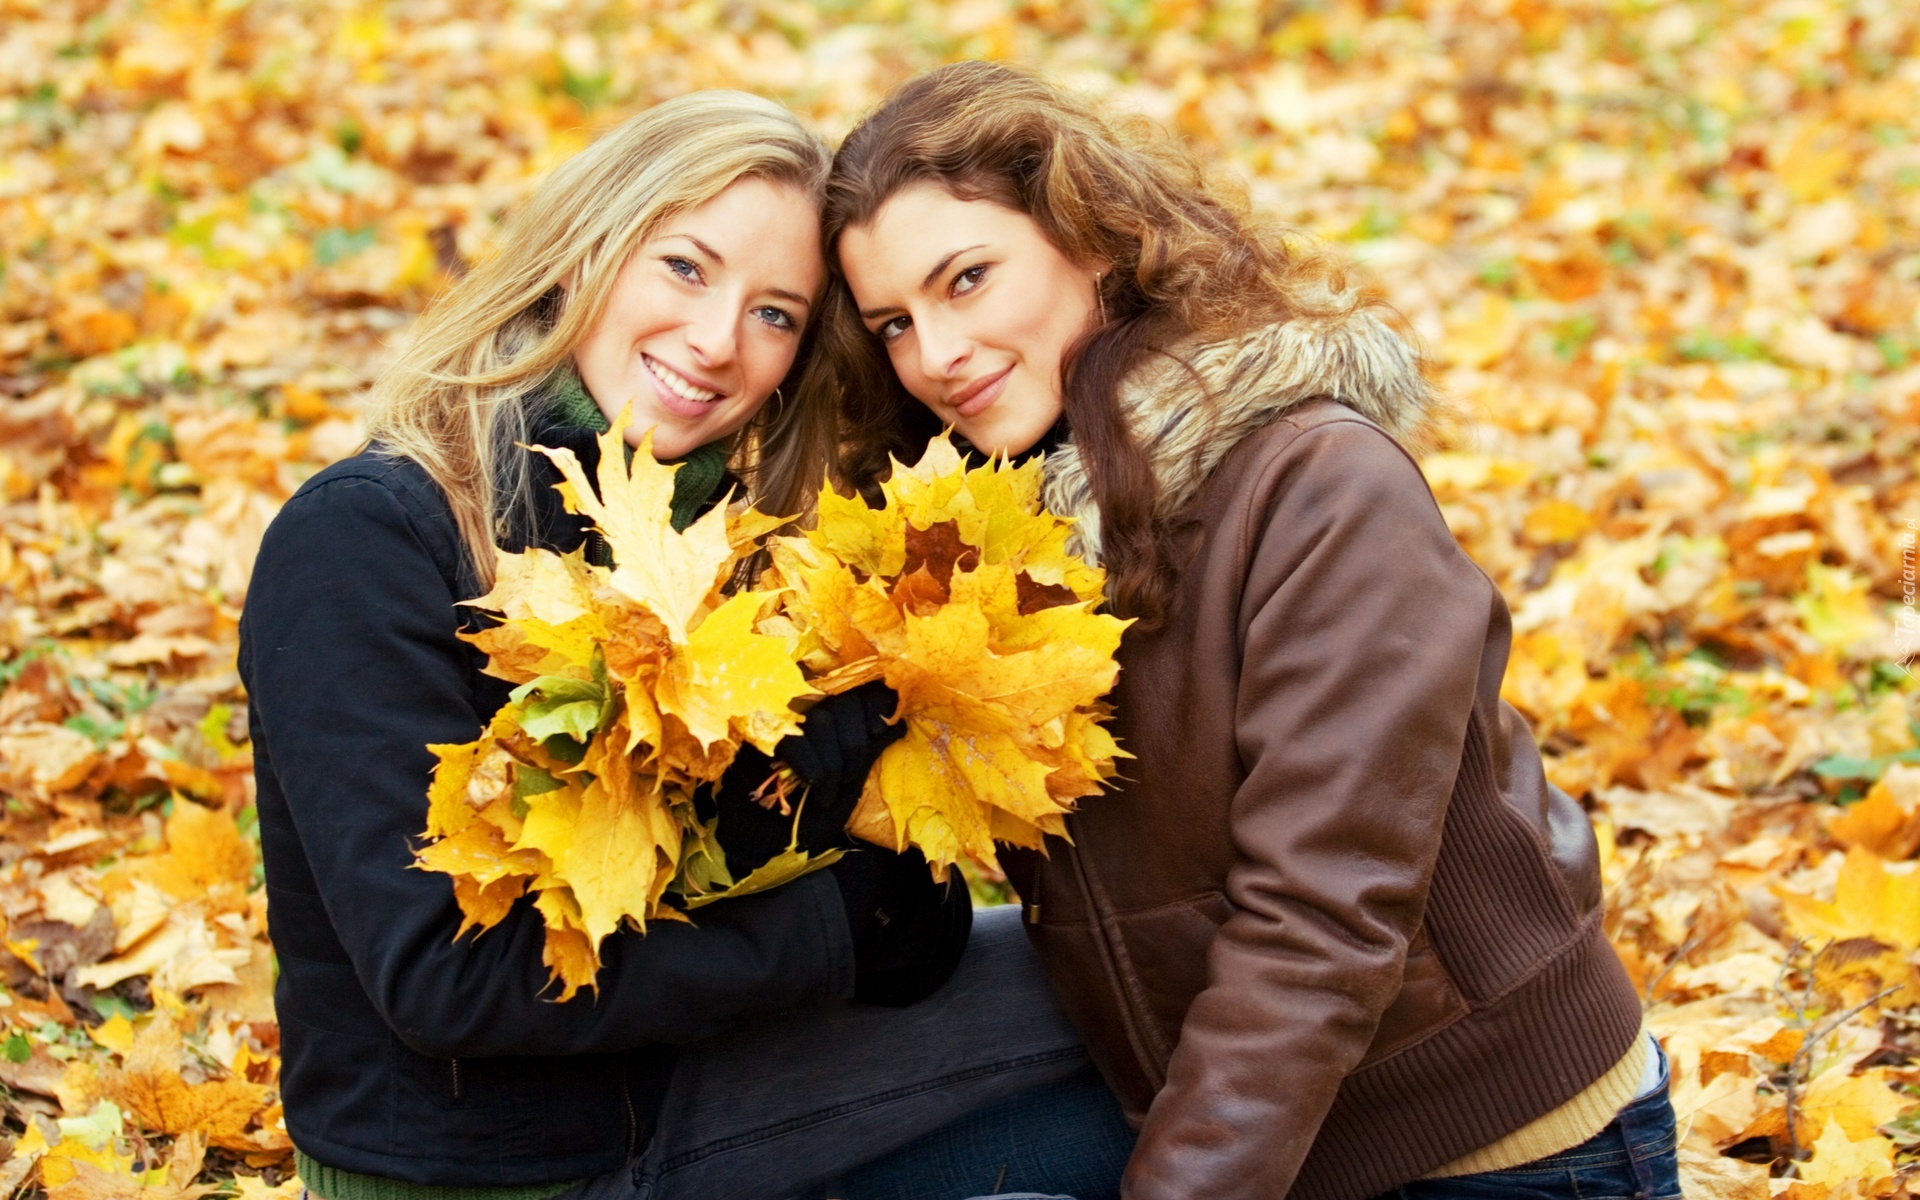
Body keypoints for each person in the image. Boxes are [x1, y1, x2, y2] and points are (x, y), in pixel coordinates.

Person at [820, 62, 1682, 1200]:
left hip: (1500, 1148)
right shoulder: (1007, 536)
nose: (936, 355)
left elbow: (1320, 922)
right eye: (894, 323)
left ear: (1092, 239)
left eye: (968, 280)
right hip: (1236, 1120)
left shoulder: (1318, 485)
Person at [238, 90, 1116, 1200]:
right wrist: (833, 927)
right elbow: (443, 980)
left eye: (775, 314)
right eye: (686, 269)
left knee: (1131, 998)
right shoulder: (369, 539)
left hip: (686, 1078)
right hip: (501, 1169)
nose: (716, 341)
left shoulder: (716, 541)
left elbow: (895, 927)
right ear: (583, 255)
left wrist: (863, 804)